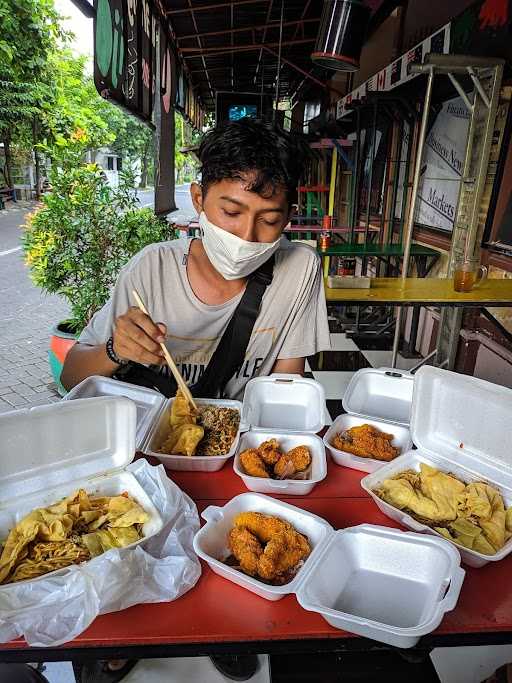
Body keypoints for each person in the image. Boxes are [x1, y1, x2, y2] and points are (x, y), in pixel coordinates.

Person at [61, 118, 331, 682]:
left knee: (234, 572)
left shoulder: (298, 269)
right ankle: (117, 637)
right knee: (115, 566)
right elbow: (72, 377)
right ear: (198, 199)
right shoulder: (150, 271)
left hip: (236, 459)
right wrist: (115, 346)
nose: (247, 237)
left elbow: (286, 390)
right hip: (141, 463)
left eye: (269, 220)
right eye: (231, 212)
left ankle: (226, 626)